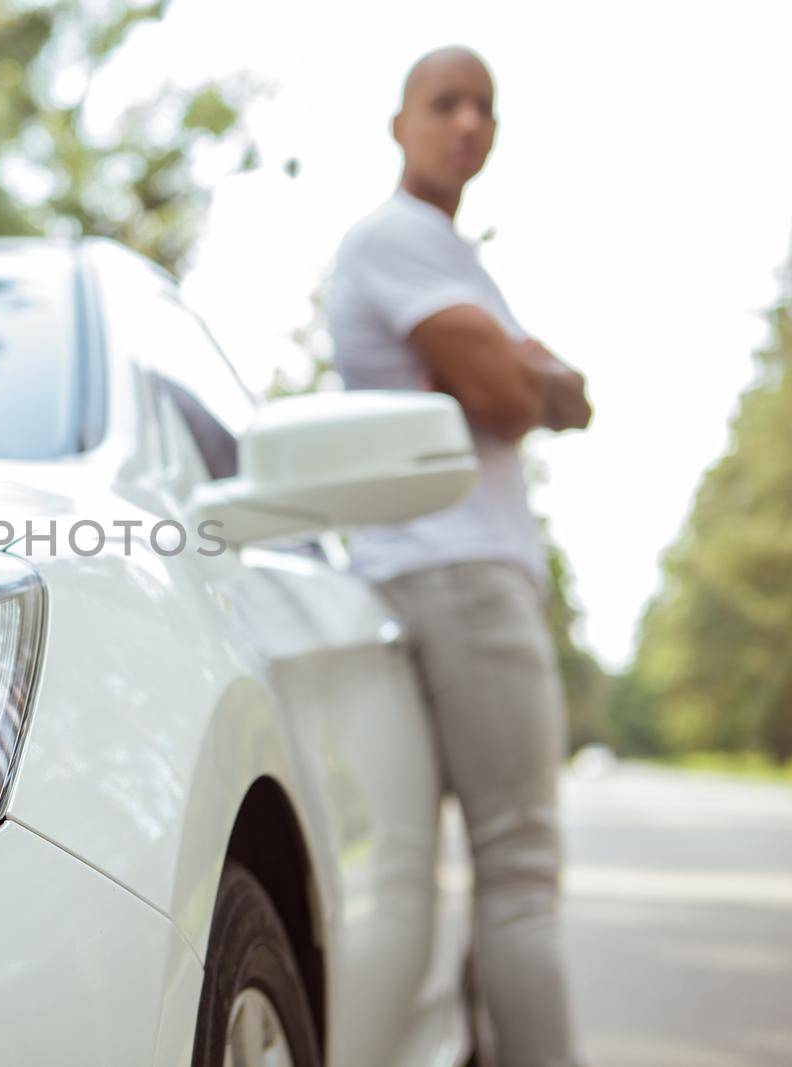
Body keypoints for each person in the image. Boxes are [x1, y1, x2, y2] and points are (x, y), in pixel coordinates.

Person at [323, 46, 592, 1067]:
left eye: (485, 106)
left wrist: (525, 369)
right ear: (398, 123)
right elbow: (517, 399)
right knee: (518, 867)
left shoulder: (446, 255)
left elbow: (568, 393)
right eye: (445, 103)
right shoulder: (400, 238)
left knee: (437, 866)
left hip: (420, 571)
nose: (468, 122)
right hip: (464, 573)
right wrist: (527, 370)